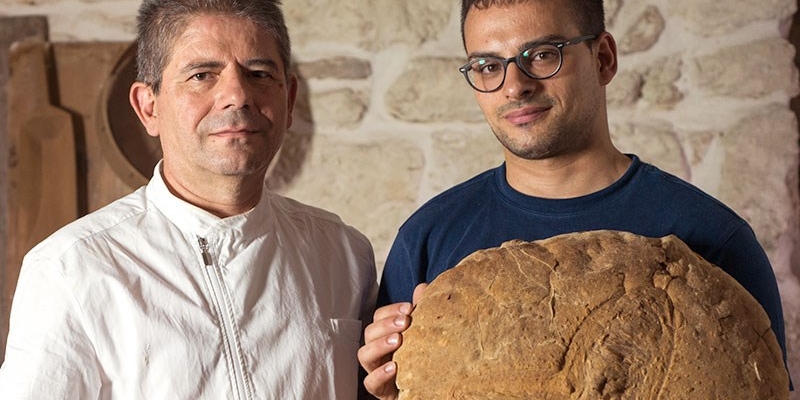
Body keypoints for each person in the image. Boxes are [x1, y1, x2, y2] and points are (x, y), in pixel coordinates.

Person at [358, 0, 791, 398]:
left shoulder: (716, 238)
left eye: (543, 54)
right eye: (488, 65)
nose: (514, 86)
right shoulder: (429, 238)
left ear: (603, 58)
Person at [0, 0, 378, 399]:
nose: (237, 95)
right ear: (149, 107)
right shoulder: (71, 269)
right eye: (202, 75)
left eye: (259, 73)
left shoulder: (344, 252)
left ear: (288, 102)